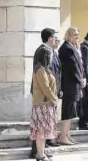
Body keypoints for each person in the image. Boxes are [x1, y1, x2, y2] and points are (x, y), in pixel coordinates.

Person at [30, 28, 61, 160]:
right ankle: (38, 152)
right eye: (54, 37)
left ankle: (41, 151)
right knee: (40, 130)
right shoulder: (41, 52)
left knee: (43, 130)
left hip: (47, 99)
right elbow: (44, 86)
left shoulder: (46, 57)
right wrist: (54, 99)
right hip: (43, 100)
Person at [58, 27, 85, 145]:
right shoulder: (66, 48)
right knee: (68, 110)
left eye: (78, 35)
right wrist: (80, 81)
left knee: (71, 110)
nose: (77, 37)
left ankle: (67, 134)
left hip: (73, 83)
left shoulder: (73, 47)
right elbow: (72, 68)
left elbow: (78, 66)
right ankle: (62, 136)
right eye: (75, 35)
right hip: (69, 83)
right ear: (68, 35)